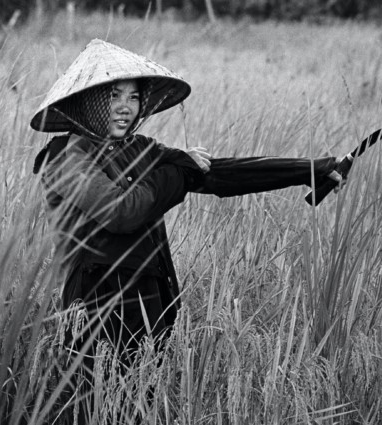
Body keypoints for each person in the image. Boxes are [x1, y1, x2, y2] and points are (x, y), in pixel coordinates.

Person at [31, 38, 344, 422]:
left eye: (134, 97)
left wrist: (309, 169)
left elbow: (216, 174)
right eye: (113, 96)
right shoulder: (64, 158)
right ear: (87, 101)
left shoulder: (139, 148)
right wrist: (177, 173)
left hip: (149, 303)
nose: (126, 107)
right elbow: (122, 212)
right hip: (95, 307)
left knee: (137, 409)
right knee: (94, 410)